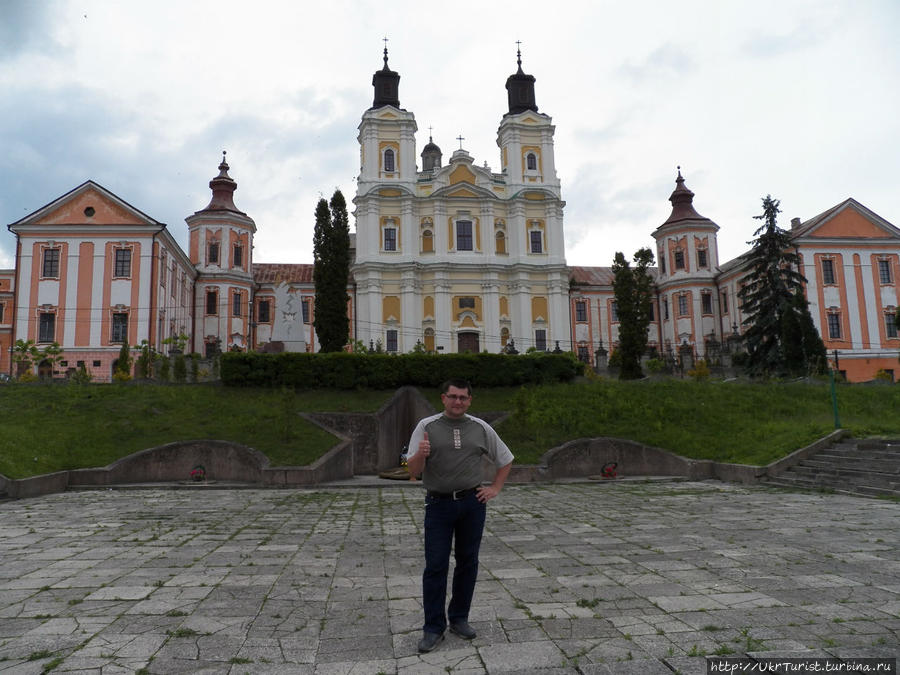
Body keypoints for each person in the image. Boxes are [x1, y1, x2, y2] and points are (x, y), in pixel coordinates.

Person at [406, 378, 514, 653]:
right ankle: (433, 627)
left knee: (468, 562)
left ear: (469, 400)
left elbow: (506, 458)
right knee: (436, 566)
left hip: (472, 503)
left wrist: (495, 488)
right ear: (443, 398)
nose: (458, 402)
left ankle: (459, 618)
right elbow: (414, 472)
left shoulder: (480, 427)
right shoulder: (427, 426)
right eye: (453, 397)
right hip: (438, 505)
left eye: (463, 398)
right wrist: (421, 453)